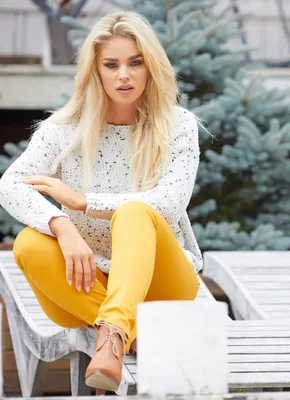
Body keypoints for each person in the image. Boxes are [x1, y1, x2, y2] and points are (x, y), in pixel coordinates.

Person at [0, 10, 204, 394]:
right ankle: (135, 334)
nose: (123, 75)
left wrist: (82, 202)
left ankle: (112, 335)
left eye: (135, 63)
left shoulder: (178, 125)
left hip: (165, 288)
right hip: (86, 283)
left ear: (150, 67)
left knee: (135, 213)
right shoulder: (63, 130)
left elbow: (170, 204)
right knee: (28, 242)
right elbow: (9, 185)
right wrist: (61, 227)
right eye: (111, 65)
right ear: (95, 70)